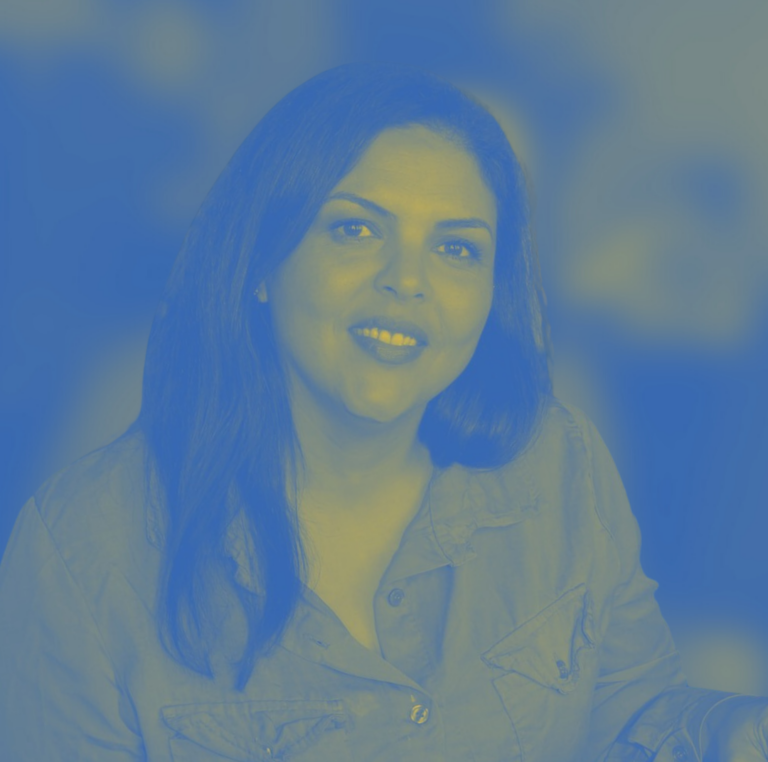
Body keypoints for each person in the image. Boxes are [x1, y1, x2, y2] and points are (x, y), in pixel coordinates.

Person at [0, 63, 766, 762]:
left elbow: (631, 712)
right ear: (261, 261)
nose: (408, 280)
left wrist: (726, 728)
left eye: (457, 249)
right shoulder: (80, 554)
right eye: (356, 229)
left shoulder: (560, 461)